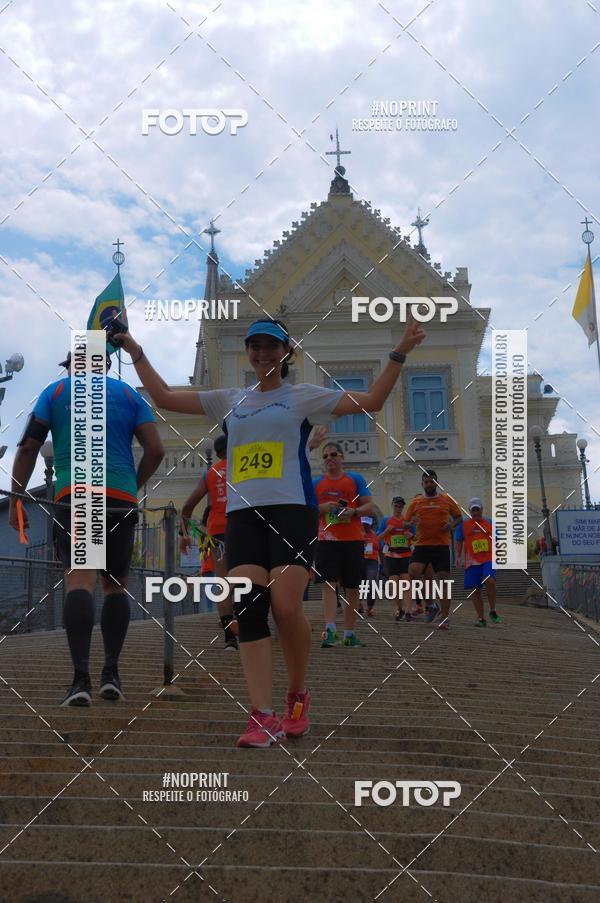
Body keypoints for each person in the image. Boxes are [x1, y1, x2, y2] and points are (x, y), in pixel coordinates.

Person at [114, 314, 425, 746]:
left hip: (292, 512)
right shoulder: (230, 400)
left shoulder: (302, 397)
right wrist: (136, 352)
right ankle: (262, 714)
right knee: (248, 607)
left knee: (284, 605)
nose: (262, 354)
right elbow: (164, 397)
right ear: (248, 352)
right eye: (255, 347)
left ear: (286, 352)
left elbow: (372, 399)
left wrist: (400, 352)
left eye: (271, 347)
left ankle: (297, 694)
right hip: (244, 517)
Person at [9, 351, 164, 705]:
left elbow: (28, 447)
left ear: (73, 366)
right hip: (121, 497)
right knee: (115, 586)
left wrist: (17, 498)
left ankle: (81, 681)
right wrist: (131, 486)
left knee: (80, 578)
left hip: (78, 495)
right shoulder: (129, 395)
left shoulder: (57, 392)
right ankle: (112, 674)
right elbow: (155, 449)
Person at [179, 434, 238, 650]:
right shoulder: (243, 466)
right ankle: (248, 626)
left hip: (216, 532)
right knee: (246, 579)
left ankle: (229, 639)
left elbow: (187, 507)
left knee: (223, 583)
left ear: (217, 452)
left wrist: (183, 534)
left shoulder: (210, 474)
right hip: (242, 526)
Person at [314, 442, 373, 647]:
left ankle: (349, 633)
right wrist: (322, 507)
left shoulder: (355, 479)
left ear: (342, 457)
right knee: (328, 584)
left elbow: (369, 506)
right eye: (325, 456)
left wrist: (353, 512)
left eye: (333, 454)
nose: (329, 458)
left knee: (352, 588)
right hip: (327, 541)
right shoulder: (316, 483)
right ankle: (330, 631)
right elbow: (306, 510)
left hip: (353, 540)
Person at [404, 470, 462, 630]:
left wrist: (451, 525)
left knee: (443, 581)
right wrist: (411, 523)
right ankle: (431, 604)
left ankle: (445, 618)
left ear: (437, 483)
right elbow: (404, 523)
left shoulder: (446, 499)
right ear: (422, 484)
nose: (429, 484)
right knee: (413, 572)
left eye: (432, 481)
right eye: (426, 482)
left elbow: (459, 517)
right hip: (422, 545)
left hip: (441, 545)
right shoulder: (416, 502)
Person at [455, 498, 502, 627]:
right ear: (470, 511)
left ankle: (493, 610)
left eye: (477, 510)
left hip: (488, 558)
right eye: (473, 510)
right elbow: (459, 540)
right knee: (475, 590)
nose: (476, 513)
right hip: (471, 560)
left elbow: (497, 540)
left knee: (490, 580)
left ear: (482, 509)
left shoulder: (490, 522)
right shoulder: (464, 525)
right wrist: (458, 557)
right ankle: (481, 618)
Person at [377, 497, 415, 622]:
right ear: (392, 506)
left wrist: (411, 535)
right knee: (395, 585)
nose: (398, 509)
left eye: (400, 506)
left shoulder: (407, 521)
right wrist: (387, 531)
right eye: (396, 506)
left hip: (406, 554)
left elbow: (416, 537)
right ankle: (400, 608)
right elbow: (378, 538)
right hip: (391, 555)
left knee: (406, 583)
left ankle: (408, 611)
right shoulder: (386, 520)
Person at [360, 516, 380, 617]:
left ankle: (369, 607)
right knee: (357, 583)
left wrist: (384, 564)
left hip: (372, 561)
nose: (365, 526)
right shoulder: (357, 533)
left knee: (371, 583)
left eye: (367, 524)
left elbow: (380, 549)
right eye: (363, 524)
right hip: (359, 560)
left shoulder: (374, 535)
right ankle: (358, 604)